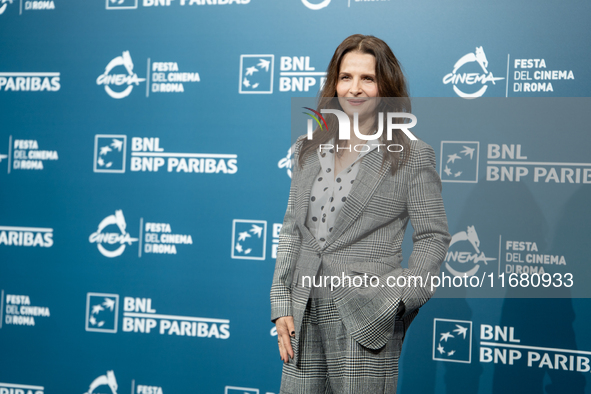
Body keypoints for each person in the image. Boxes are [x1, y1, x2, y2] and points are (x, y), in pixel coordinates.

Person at [270, 34, 451, 393]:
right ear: (334, 84)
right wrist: (280, 303)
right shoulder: (308, 148)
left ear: (386, 87)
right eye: (346, 77)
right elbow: (292, 228)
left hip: (368, 313)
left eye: (367, 78)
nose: (355, 89)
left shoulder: (411, 155)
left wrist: (399, 300)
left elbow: (434, 236)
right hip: (304, 310)